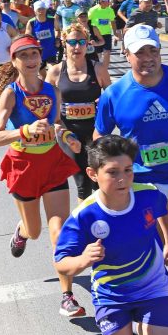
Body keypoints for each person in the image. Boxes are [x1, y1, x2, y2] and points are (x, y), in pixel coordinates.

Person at [54, 134, 168, 335]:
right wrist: (83, 259)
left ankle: (137, 327)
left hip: (152, 288)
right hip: (111, 295)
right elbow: (61, 262)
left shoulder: (148, 194)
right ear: (93, 174)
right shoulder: (84, 215)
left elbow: (163, 208)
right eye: (112, 172)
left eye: (128, 170)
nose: (122, 179)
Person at [0, 36, 85, 317]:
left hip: (52, 163)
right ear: (14, 60)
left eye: (34, 54)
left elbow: (57, 124)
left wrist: (68, 137)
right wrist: (25, 131)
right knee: (35, 230)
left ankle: (67, 296)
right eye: (24, 55)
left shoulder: (52, 91)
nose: (31, 60)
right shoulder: (11, 94)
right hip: (24, 167)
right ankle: (22, 232)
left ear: (41, 57)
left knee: (60, 231)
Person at [95, 24, 168, 255]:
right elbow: (100, 136)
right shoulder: (114, 94)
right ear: (126, 55)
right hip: (141, 181)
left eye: (153, 50)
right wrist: (110, 171)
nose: (148, 58)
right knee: (151, 245)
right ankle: (152, 272)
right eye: (140, 52)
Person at [46, 22, 112, 202]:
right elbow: (47, 105)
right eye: (72, 42)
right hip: (69, 133)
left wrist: (103, 102)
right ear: (64, 43)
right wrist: (57, 128)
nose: (77, 47)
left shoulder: (98, 69)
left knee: (100, 180)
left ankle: (102, 216)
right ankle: (85, 218)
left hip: (96, 131)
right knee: (83, 182)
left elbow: (113, 98)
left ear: (88, 44)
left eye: (82, 42)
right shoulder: (55, 72)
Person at [26, 0, 58, 71]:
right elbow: (27, 36)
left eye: (43, 9)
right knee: (41, 72)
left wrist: (57, 39)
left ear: (46, 10)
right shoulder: (31, 22)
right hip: (38, 51)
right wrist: (34, 41)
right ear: (35, 11)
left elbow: (57, 30)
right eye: (39, 9)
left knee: (53, 70)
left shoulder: (52, 19)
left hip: (50, 49)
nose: (41, 11)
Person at [88, 0, 116, 64]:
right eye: (107, 0)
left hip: (107, 34)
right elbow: (87, 21)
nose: (109, 2)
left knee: (107, 52)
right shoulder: (93, 10)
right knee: (98, 54)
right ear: (101, 2)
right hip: (96, 35)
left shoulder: (110, 10)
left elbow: (113, 22)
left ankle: (105, 67)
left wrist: (115, 34)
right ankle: (98, 66)